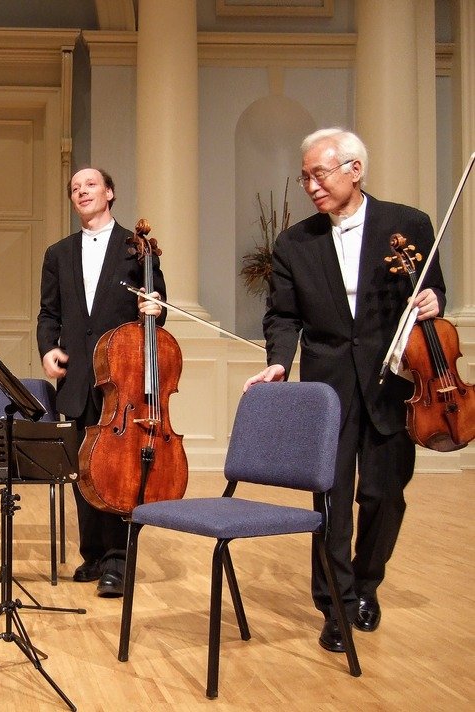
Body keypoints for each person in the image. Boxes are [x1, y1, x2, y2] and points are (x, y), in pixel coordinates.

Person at [243, 128, 446, 653]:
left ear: (354, 170)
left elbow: (432, 289)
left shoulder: (408, 224)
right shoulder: (294, 242)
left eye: (319, 174)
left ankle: (367, 583)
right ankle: (335, 604)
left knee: (384, 494)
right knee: (330, 501)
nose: (311, 186)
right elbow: (282, 316)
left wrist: (432, 301)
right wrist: (278, 363)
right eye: (305, 177)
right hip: (327, 388)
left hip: (392, 383)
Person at [37, 167, 165, 598]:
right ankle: (92, 554)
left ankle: (117, 559)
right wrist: (47, 349)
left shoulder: (137, 248)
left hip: (122, 377)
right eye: (74, 188)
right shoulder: (58, 253)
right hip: (77, 376)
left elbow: (158, 306)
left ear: (109, 192)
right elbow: (49, 313)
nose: (81, 191)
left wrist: (156, 308)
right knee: (83, 470)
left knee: (118, 470)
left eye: (90, 184)